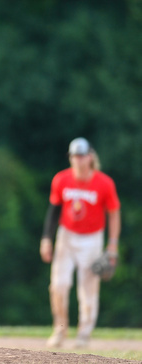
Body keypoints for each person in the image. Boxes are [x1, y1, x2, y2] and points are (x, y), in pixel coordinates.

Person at [40, 137, 121, 348]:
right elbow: (54, 210)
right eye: (74, 156)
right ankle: (60, 329)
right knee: (58, 284)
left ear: (90, 157)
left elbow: (113, 214)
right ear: (70, 158)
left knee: (88, 288)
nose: (78, 159)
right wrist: (46, 238)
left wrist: (112, 244)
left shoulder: (104, 183)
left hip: (92, 238)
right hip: (66, 236)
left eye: (82, 155)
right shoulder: (61, 179)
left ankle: (84, 334)